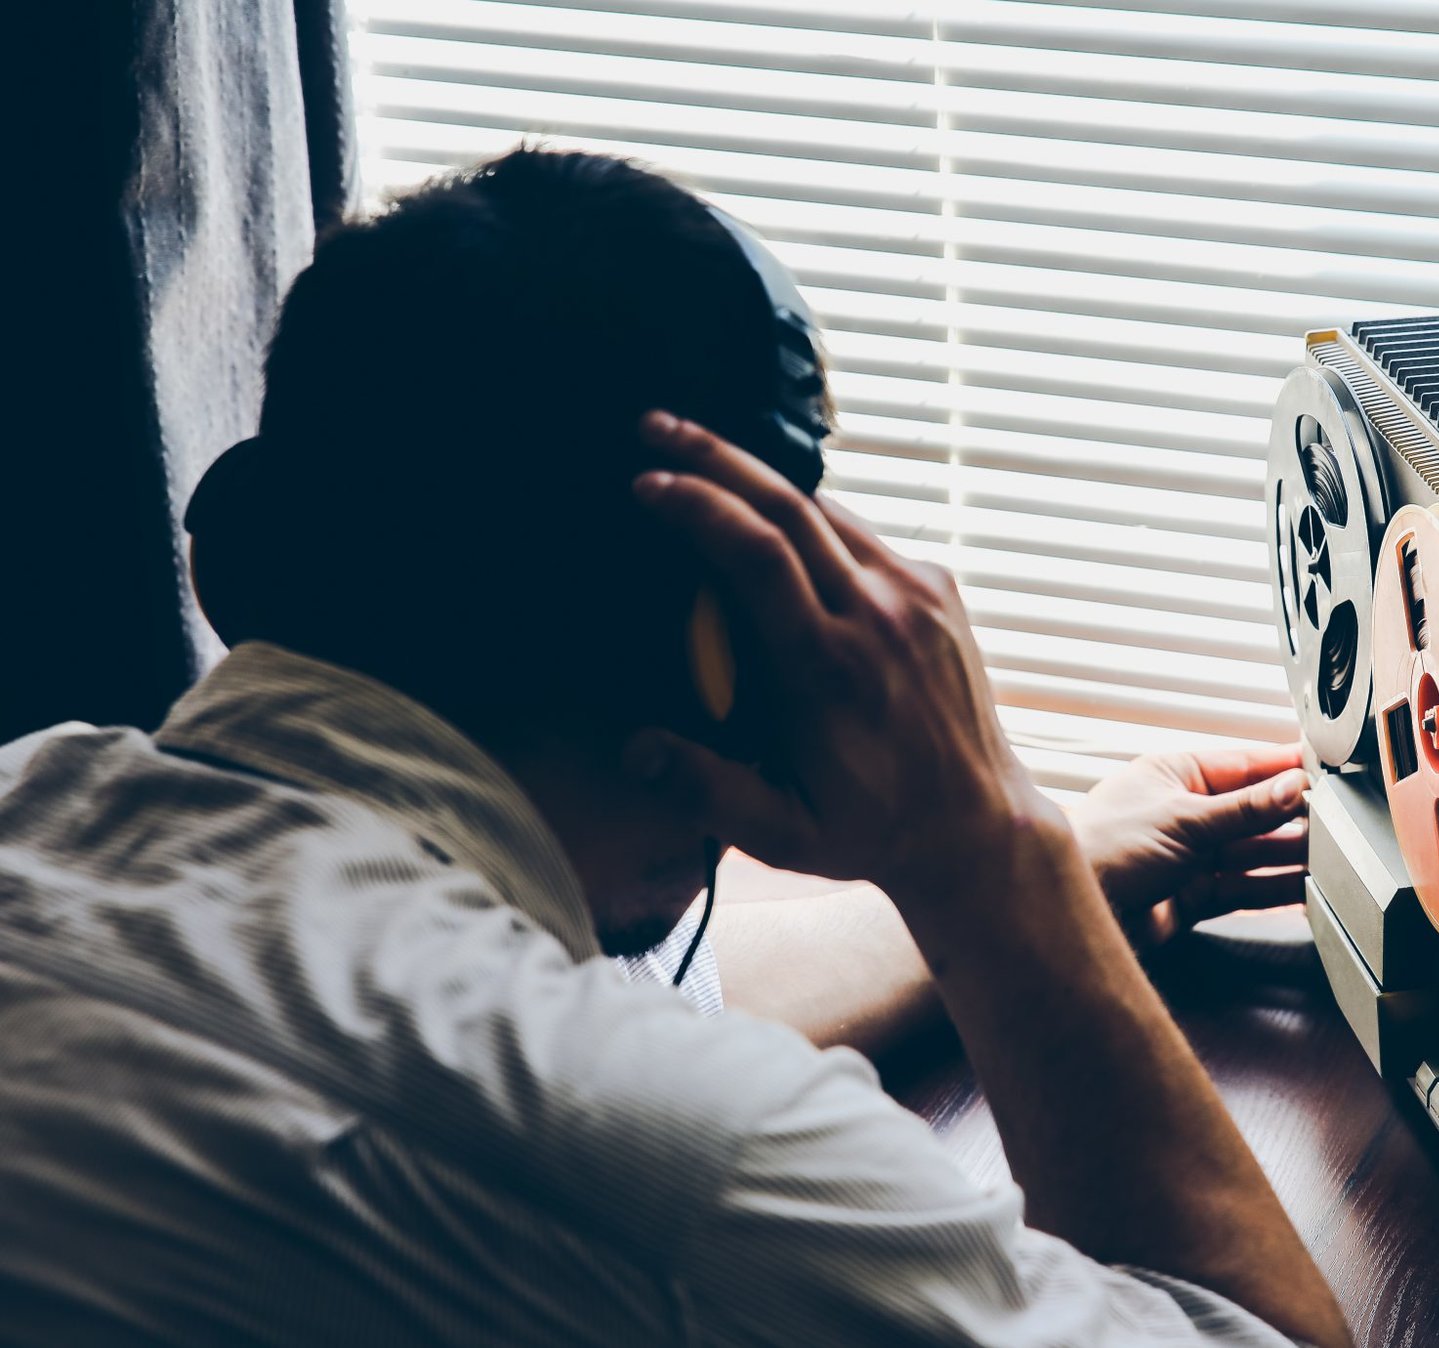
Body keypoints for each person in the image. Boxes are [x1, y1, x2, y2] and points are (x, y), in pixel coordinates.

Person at [0, 148, 1353, 1348]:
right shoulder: (686, 1175)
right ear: (724, 659)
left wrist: (1078, 867)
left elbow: (556, 1029)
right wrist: (994, 858)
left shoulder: (42, 798)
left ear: (251, 549)